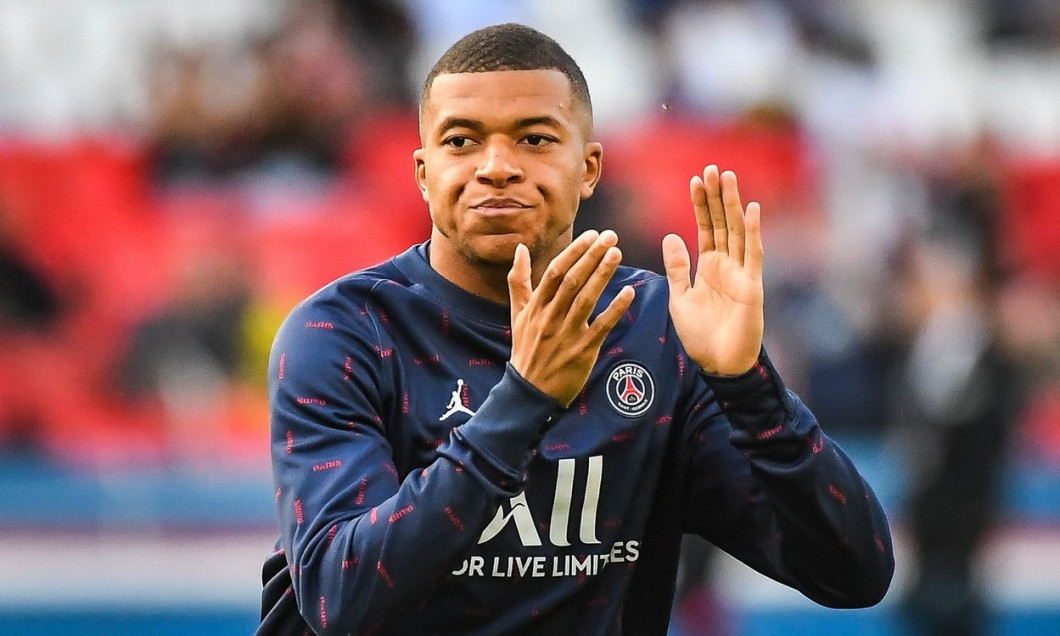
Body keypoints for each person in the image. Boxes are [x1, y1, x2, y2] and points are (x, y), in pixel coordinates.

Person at [254, 23, 894, 635]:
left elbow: (854, 572)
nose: (496, 166)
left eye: (534, 139)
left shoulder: (658, 332)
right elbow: (341, 597)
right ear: (423, 173)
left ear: (589, 168)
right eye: (461, 140)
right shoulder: (343, 333)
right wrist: (524, 401)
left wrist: (750, 387)